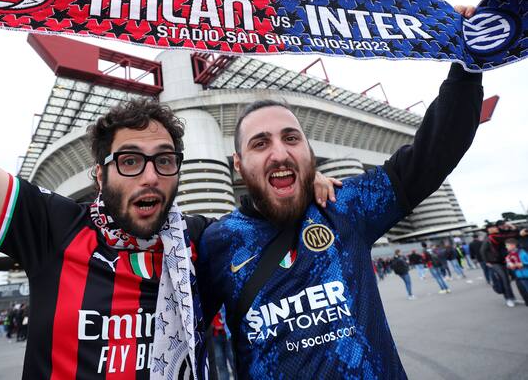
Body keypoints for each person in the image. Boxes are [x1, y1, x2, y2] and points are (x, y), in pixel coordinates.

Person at [0, 0, 341, 379]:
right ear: (99, 174)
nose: (150, 176)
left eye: (165, 161)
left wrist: (302, 177)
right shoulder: (52, 227)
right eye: (130, 161)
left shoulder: (201, 241)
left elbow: (280, 225)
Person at [198, 33, 483, 379]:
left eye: (291, 138)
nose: (280, 153)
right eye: (260, 143)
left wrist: (468, 67)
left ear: (309, 153)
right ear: (238, 165)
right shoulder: (216, 241)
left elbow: (433, 154)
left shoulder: (345, 205)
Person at [504, 238, 528, 306]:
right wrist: (510, 266)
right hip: (520, 276)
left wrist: (523, 264)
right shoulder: (509, 256)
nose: (506, 247)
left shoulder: (523, 252)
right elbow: (508, 264)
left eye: (507, 245)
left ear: (513, 245)